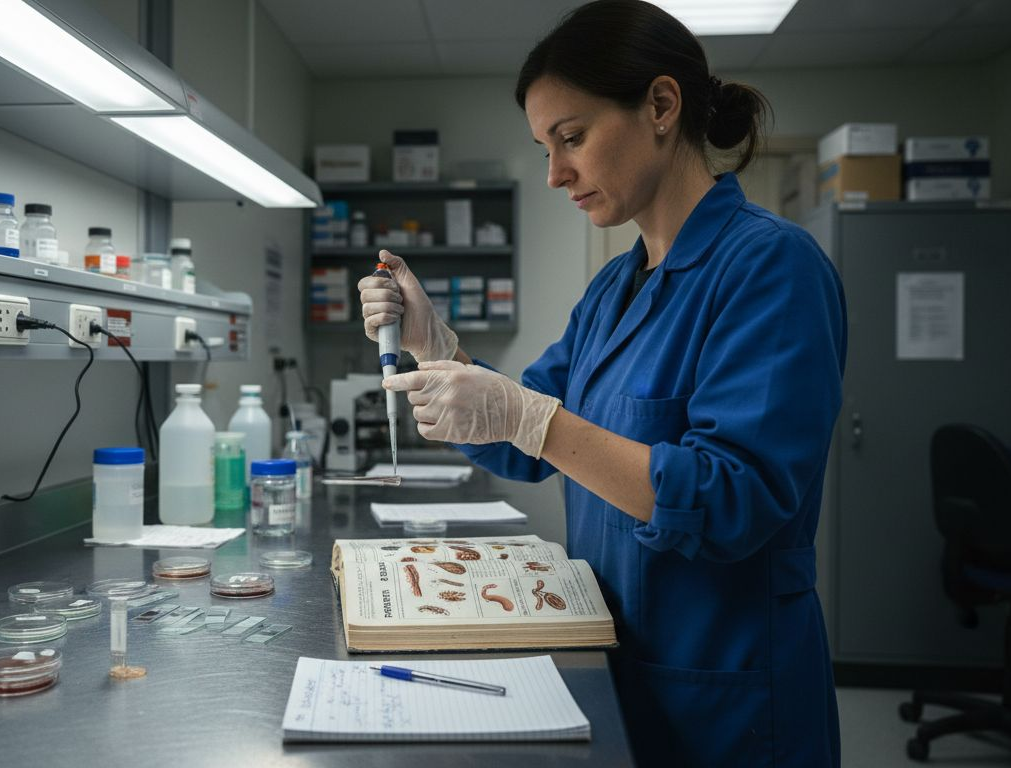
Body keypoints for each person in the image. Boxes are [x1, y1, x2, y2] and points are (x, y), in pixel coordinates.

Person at [359, 1, 846, 765]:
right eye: (544, 148)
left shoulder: (770, 268)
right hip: (619, 667)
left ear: (660, 105)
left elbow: (731, 499)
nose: (555, 174)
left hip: (726, 691)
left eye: (572, 138)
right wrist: (434, 347)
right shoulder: (615, 289)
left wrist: (531, 420)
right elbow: (524, 444)